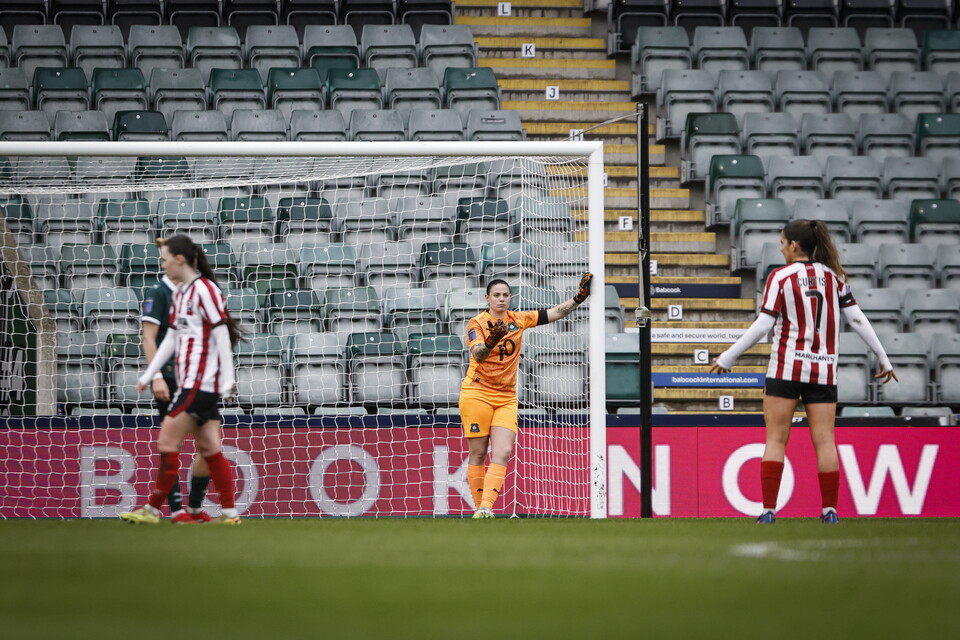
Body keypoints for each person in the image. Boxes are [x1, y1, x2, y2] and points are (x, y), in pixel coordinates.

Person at [710, 219, 897, 525]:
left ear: (794, 246)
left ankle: (769, 510)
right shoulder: (836, 278)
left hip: (785, 367)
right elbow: (857, 319)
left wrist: (730, 356)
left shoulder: (780, 277)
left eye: (783, 243)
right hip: (823, 371)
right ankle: (830, 511)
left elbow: (764, 324)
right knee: (825, 440)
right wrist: (883, 356)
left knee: (775, 439)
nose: (781, 248)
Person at [121, 235, 243, 525]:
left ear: (179, 260)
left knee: (167, 439)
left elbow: (221, 333)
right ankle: (229, 513)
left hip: (201, 383)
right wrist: (150, 374)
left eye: (164, 259)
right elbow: (172, 338)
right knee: (211, 447)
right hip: (193, 382)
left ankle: (152, 511)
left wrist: (227, 379)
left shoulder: (205, 289)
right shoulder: (182, 294)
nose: (161, 265)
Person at [461, 273, 593, 519]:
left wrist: (579, 298)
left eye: (505, 295)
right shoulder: (476, 323)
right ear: (487, 298)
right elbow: (478, 354)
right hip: (477, 393)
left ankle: (485, 508)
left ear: (510, 298)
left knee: (502, 451)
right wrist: (491, 342)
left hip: (506, 397)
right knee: (478, 453)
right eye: (496, 295)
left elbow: (555, 313)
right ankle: (480, 509)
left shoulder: (518, 320)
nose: (501, 299)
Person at [141, 269, 212, 524]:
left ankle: (194, 508)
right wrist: (156, 375)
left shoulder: (194, 295)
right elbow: (150, 337)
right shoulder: (160, 294)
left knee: (209, 446)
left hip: (199, 379)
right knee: (172, 445)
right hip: (171, 379)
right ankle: (177, 510)